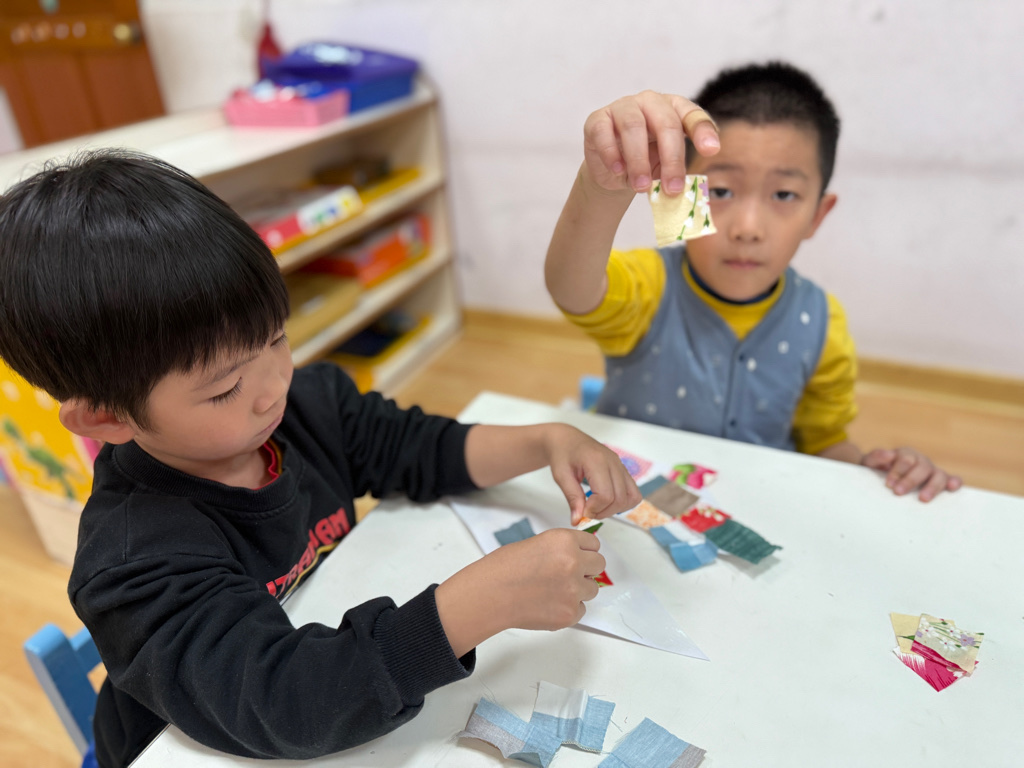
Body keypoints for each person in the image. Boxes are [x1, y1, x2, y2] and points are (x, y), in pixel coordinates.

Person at [0, 151, 641, 768]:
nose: (273, 386)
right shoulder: (133, 560)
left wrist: (547, 440)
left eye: (276, 338)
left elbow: (417, 448)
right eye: (225, 388)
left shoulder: (304, 406)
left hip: (336, 675)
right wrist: (476, 606)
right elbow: (284, 701)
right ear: (106, 419)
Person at [544, 61, 960, 502]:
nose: (748, 228)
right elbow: (571, 287)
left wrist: (879, 471)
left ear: (817, 215)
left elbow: (824, 444)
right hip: (631, 507)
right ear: (678, 194)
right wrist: (601, 187)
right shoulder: (650, 284)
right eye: (721, 191)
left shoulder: (823, 323)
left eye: (784, 194)